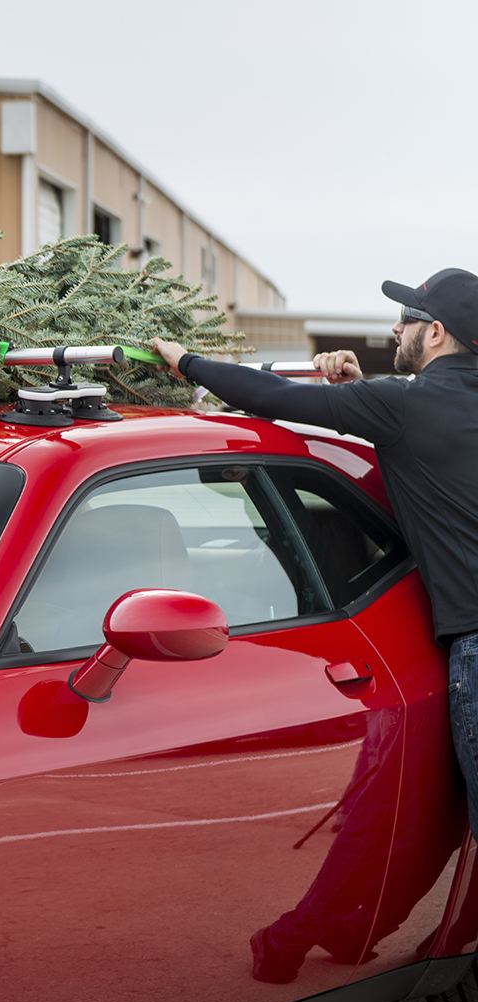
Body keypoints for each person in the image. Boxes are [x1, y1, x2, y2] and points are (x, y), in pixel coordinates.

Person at [152, 268, 478, 835]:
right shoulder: (410, 406)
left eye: (408, 320)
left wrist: (186, 361)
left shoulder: (400, 406)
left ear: (435, 334)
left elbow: (268, 395)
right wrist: (360, 393)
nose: (395, 328)